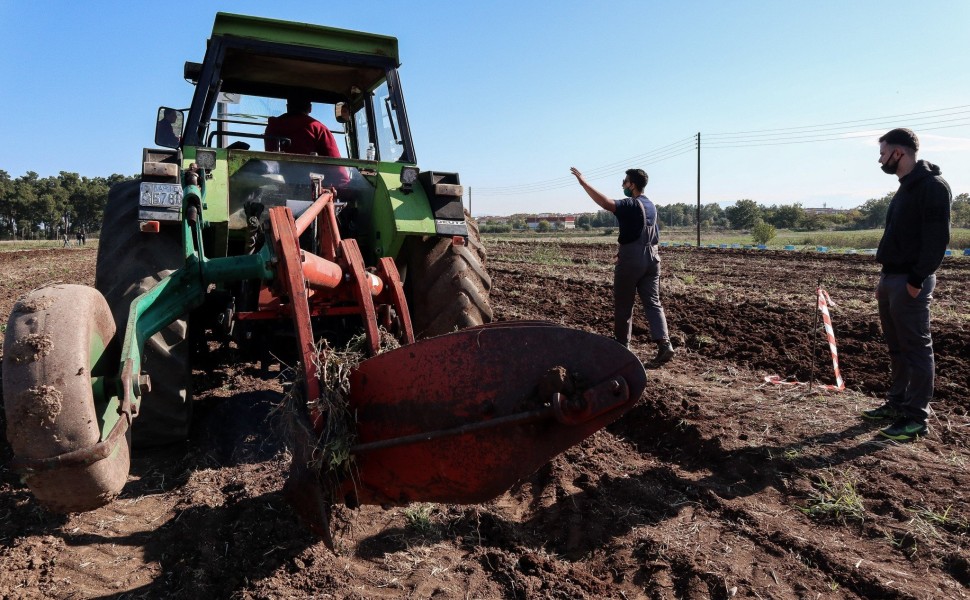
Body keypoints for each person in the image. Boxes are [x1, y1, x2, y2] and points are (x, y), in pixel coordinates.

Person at [862, 128, 951, 441]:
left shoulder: (933, 187)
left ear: (898, 153)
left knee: (916, 349)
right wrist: (885, 278)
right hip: (892, 278)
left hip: (910, 282)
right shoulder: (905, 187)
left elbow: (937, 240)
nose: (880, 159)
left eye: (883, 153)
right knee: (897, 348)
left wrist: (916, 279)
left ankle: (915, 418)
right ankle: (898, 403)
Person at [570, 166, 675, 367]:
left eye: (625, 181)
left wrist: (583, 182)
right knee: (653, 302)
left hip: (632, 260)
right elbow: (640, 231)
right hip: (653, 259)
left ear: (633, 185)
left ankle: (622, 347)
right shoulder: (651, 205)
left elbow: (605, 202)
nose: (623, 185)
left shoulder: (631, 204)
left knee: (624, 304)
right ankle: (665, 344)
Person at [264, 97, 341, 157]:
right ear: (310, 108)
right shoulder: (318, 128)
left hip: (274, 175)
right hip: (308, 176)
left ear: (287, 107)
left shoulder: (272, 126)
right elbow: (336, 166)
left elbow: (269, 158)